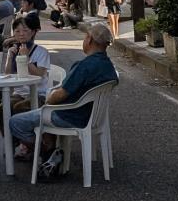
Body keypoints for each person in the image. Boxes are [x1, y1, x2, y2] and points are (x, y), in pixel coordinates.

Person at [9, 22, 119, 179]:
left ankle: (47, 152)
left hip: (68, 115)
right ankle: (50, 152)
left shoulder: (85, 66)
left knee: (15, 122)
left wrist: (48, 99)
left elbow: (59, 96)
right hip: (92, 116)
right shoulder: (108, 66)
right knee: (36, 115)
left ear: (89, 40)